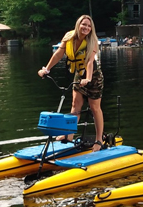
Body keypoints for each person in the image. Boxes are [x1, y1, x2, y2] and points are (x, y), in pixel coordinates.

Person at [38, 15, 105, 152]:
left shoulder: (92, 41)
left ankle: (99, 140)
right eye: (83, 24)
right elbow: (58, 54)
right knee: (75, 105)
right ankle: (69, 135)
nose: (86, 28)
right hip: (78, 75)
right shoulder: (69, 37)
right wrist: (46, 69)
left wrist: (88, 78)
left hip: (94, 77)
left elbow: (90, 62)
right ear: (78, 25)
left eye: (89, 25)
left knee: (94, 107)